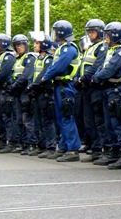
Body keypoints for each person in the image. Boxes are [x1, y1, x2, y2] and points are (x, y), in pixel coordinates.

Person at [92, 21, 121, 170]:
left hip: (116, 90)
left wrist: (96, 78)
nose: (105, 38)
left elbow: (110, 70)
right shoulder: (111, 51)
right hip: (108, 89)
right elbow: (101, 67)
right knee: (109, 123)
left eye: (108, 35)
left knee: (118, 123)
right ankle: (114, 152)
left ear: (115, 36)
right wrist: (96, 77)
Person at [41, 20, 82, 162]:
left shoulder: (69, 48)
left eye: (56, 31)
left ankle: (73, 150)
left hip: (66, 86)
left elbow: (58, 66)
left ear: (61, 32)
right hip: (60, 86)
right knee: (61, 118)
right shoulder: (62, 47)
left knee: (66, 117)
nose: (54, 34)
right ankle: (64, 147)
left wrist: (45, 77)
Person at [76, 19, 108, 163]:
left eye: (92, 32)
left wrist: (83, 78)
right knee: (88, 120)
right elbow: (82, 65)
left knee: (97, 120)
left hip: (95, 87)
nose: (90, 34)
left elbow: (96, 66)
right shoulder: (91, 47)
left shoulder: (102, 47)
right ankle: (94, 148)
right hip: (86, 87)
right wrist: (78, 79)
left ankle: (99, 149)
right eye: (88, 32)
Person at [28, 34, 57, 157]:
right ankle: (41, 146)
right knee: (38, 121)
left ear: (44, 45)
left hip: (45, 93)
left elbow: (43, 75)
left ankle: (50, 147)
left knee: (47, 121)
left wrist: (32, 85)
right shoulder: (38, 59)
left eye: (37, 43)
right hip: (37, 93)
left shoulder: (49, 59)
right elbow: (32, 75)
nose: (34, 45)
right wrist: (31, 86)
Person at [8, 34, 37, 155]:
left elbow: (25, 76)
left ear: (26, 45)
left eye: (20, 45)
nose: (18, 47)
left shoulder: (29, 58)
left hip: (25, 92)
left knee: (27, 120)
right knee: (19, 120)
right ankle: (24, 143)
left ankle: (31, 144)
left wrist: (14, 86)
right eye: (16, 45)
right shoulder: (18, 60)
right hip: (18, 93)